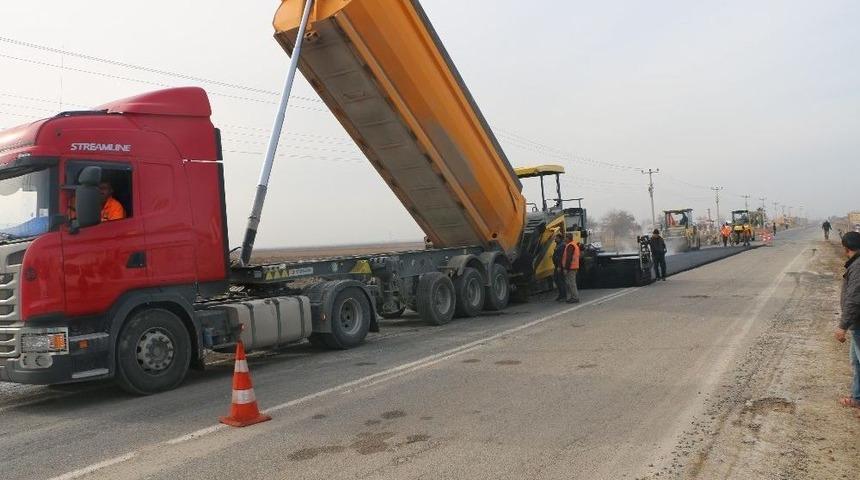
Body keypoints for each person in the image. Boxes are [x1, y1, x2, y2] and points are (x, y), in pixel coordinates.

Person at [836, 231, 860, 411]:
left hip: (857, 323)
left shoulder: (857, 267)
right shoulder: (855, 264)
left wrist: (842, 326)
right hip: (856, 324)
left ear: (846, 248)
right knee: (856, 361)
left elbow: (854, 299)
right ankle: (857, 398)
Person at [561, 232, 580, 303]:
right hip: (573, 267)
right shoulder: (572, 245)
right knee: (570, 283)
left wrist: (566, 268)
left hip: (571, 267)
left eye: (566, 237)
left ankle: (575, 297)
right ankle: (573, 297)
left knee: (571, 283)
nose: (565, 239)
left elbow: (568, 258)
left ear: (568, 238)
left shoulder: (570, 246)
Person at [551, 232, 567, 302]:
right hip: (557, 266)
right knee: (557, 280)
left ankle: (563, 296)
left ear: (559, 238)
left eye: (556, 238)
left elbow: (561, 257)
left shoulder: (562, 245)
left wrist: (559, 266)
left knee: (561, 281)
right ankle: (561, 295)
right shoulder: (558, 245)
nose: (555, 239)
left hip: (559, 266)